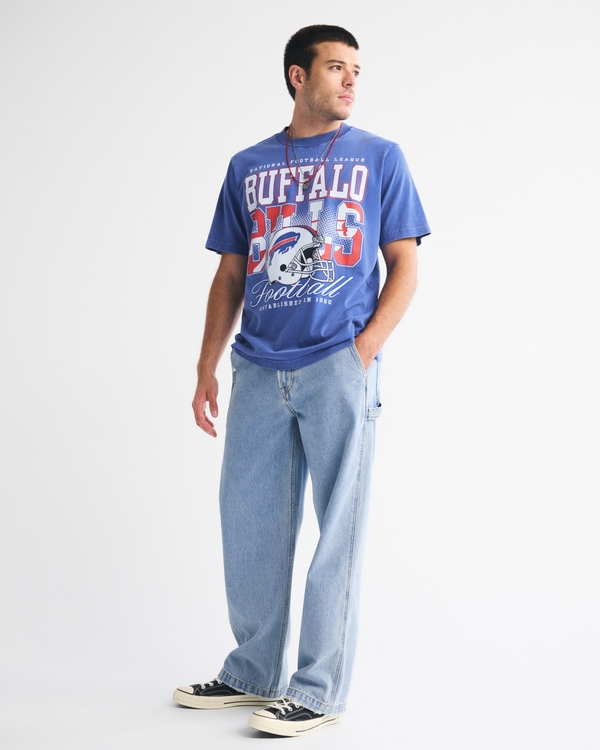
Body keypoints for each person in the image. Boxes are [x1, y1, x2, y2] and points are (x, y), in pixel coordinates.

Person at [173, 24, 430, 737]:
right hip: (257, 367)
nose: (351, 82)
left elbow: (405, 266)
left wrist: (363, 351)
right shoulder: (247, 165)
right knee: (249, 527)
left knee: (337, 532)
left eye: (356, 71)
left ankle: (317, 691)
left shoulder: (379, 157)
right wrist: (206, 365)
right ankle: (252, 673)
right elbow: (230, 273)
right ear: (298, 76)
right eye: (337, 68)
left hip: (336, 364)